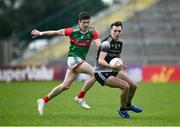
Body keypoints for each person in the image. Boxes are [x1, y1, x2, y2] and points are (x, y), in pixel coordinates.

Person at [31, 12, 101, 115]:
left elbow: (99, 45)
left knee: (65, 86)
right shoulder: (72, 31)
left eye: (88, 22)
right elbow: (55, 32)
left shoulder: (92, 31)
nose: (86, 25)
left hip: (79, 61)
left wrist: (102, 54)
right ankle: (80, 97)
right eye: (83, 23)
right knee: (95, 73)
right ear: (79, 22)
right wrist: (41, 33)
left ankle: (43, 100)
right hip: (73, 59)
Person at [94, 21, 142, 119]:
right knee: (126, 87)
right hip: (101, 72)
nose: (117, 33)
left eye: (119, 31)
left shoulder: (119, 43)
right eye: (115, 31)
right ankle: (122, 110)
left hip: (112, 70)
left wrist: (121, 63)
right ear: (111, 31)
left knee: (133, 86)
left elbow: (117, 57)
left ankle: (128, 105)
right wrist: (112, 67)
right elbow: (100, 60)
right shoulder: (106, 43)